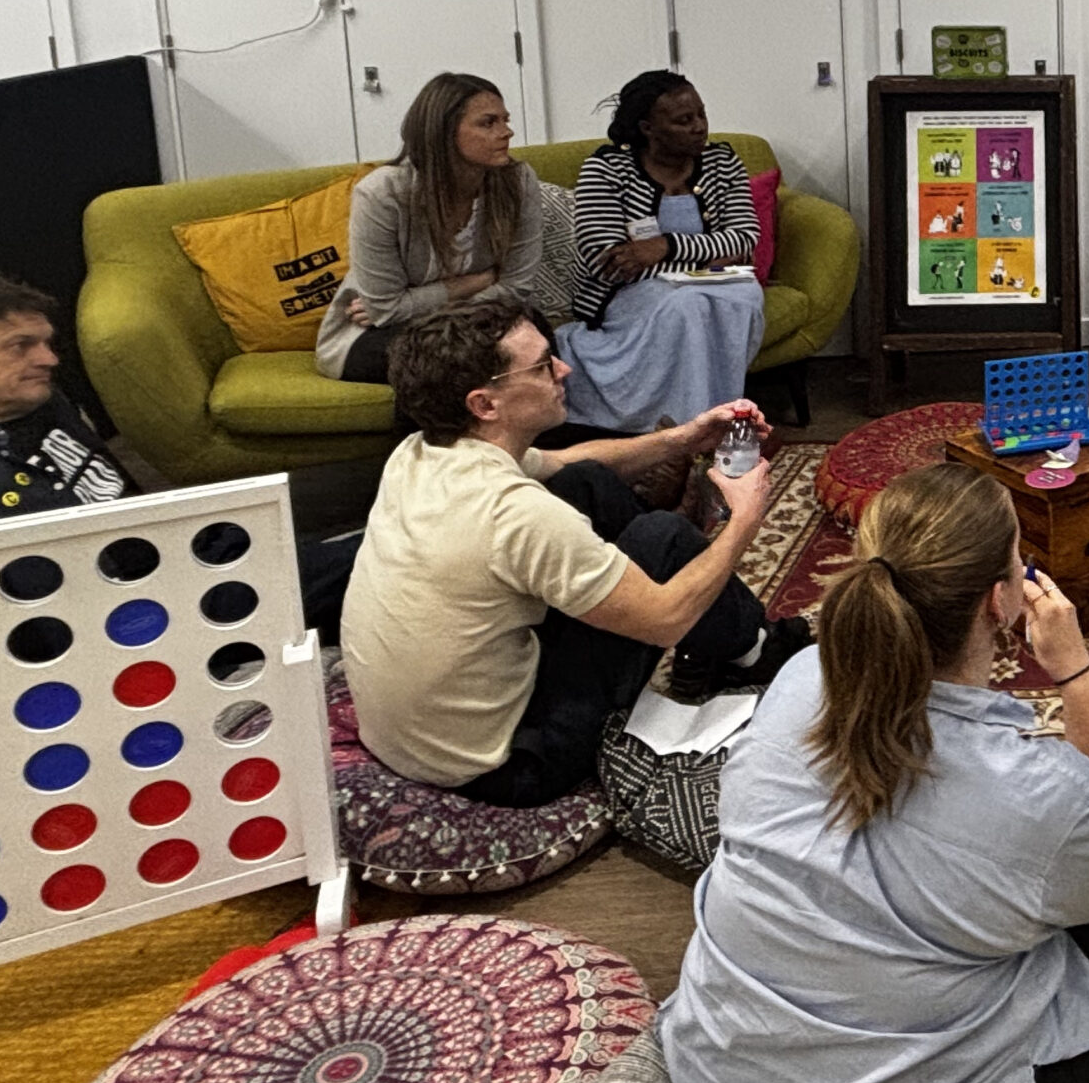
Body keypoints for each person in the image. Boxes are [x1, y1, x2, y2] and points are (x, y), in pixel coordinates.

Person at [660, 461, 1089, 1083]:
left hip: (718, 1066)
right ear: (997, 602)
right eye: (1016, 555)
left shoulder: (802, 678)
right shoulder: (1036, 791)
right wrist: (1076, 673)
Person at [340, 299, 800, 806]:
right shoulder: (516, 515)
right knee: (663, 538)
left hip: (416, 739)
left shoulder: (421, 452)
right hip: (511, 765)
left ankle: (740, 640)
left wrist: (682, 438)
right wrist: (745, 517)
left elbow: (564, 460)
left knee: (586, 481)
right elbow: (665, 619)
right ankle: (755, 648)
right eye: (542, 365)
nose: (565, 369)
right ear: (484, 404)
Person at [0, 268, 360, 637]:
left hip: (185, 552)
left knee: (377, 529)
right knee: (388, 570)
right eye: (19, 346)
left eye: (46, 343)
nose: (48, 358)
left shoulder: (42, 402)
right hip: (150, 615)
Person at [558, 70, 765, 433]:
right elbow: (605, 260)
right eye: (684, 120)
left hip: (714, 284)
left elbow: (744, 237)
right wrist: (706, 255)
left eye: (701, 114)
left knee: (743, 294)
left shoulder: (722, 162)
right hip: (627, 296)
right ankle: (686, 431)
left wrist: (663, 247)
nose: (699, 127)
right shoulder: (606, 169)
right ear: (648, 128)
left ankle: (715, 421)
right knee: (687, 306)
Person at [315, 71, 546, 383]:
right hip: (373, 336)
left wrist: (420, 305)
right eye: (488, 123)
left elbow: (516, 288)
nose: (507, 132)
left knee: (535, 332)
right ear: (443, 132)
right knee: (450, 359)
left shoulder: (518, 180)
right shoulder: (382, 193)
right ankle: (441, 435)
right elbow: (387, 312)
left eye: (505, 120)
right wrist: (478, 281)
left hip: (473, 322)